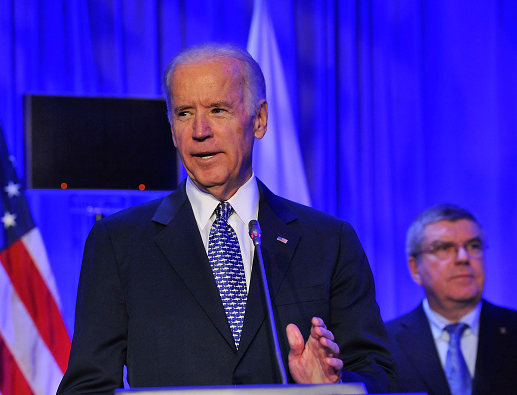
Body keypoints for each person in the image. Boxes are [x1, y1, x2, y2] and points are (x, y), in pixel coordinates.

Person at [57, 42, 395, 394]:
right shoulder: (118, 241)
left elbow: (378, 373)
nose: (199, 130)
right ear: (171, 128)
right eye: (184, 113)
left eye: (218, 110)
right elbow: (88, 385)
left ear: (259, 119)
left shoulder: (329, 240)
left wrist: (333, 386)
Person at [386, 204, 517, 394]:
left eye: (474, 246)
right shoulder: (385, 344)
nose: (463, 257)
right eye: (444, 248)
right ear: (415, 269)